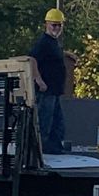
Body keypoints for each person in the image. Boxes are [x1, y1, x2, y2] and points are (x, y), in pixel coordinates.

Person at [30, 8, 69, 154]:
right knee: (45, 122)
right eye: (54, 25)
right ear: (46, 24)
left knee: (57, 124)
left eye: (59, 25)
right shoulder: (43, 42)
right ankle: (42, 151)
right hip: (46, 91)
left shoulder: (54, 43)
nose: (57, 28)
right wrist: (39, 80)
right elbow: (32, 59)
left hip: (54, 91)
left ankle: (55, 149)